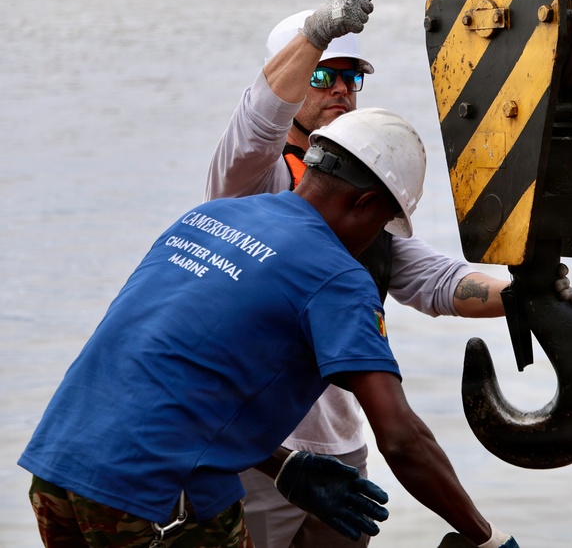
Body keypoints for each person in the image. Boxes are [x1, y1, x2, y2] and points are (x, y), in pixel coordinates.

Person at [19, 109, 521, 548]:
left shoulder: (208, 218)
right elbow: (402, 440)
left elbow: (171, 388)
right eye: (384, 222)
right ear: (366, 205)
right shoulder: (337, 277)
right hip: (156, 497)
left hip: (57, 471)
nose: (377, 240)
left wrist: (283, 465)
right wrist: (484, 537)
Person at [206, 0, 572, 547]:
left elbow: (429, 278)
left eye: (354, 77)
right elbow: (256, 126)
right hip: (257, 452)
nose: (343, 89)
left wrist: (527, 296)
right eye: (324, 75)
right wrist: (316, 32)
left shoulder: (363, 195)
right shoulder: (250, 183)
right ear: (289, 75)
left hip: (342, 444)